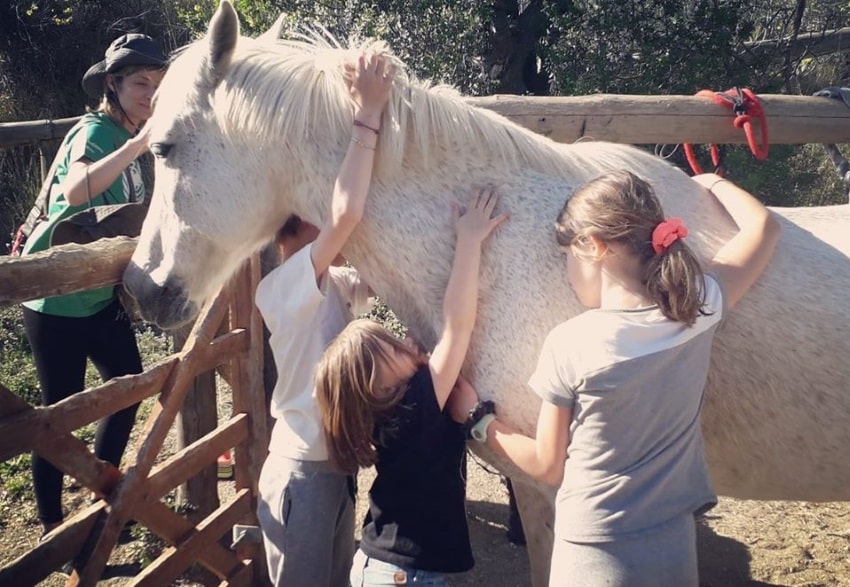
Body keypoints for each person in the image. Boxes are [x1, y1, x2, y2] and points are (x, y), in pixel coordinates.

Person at [453, 170, 781, 587]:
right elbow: (764, 227)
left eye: (568, 256)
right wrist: (712, 182)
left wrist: (478, 420)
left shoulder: (574, 342)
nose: (568, 274)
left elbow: (547, 465)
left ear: (592, 246)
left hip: (595, 552)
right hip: (675, 543)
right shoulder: (701, 306)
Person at [315, 187, 509, 587]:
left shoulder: (385, 416)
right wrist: (469, 241)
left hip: (383, 566)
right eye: (393, 345)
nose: (405, 341)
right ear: (380, 383)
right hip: (405, 577)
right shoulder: (416, 403)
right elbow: (457, 324)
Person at [253, 53, 394, 587]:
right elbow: (348, 215)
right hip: (302, 472)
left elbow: (378, 265)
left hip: (331, 469)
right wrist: (368, 113)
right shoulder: (283, 287)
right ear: (303, 222)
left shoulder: (330, 281)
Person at [20, 33, 168, 537]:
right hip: (55, 298)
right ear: (113, 84)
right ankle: (53, 527)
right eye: (141, 84)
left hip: (100, 297)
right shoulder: (96, 132)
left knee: (126, 389)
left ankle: (99, 494)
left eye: (158, 85)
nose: (151, 95)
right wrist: (138, 145)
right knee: (56, 419)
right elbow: (76, 188)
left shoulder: (129, 141)